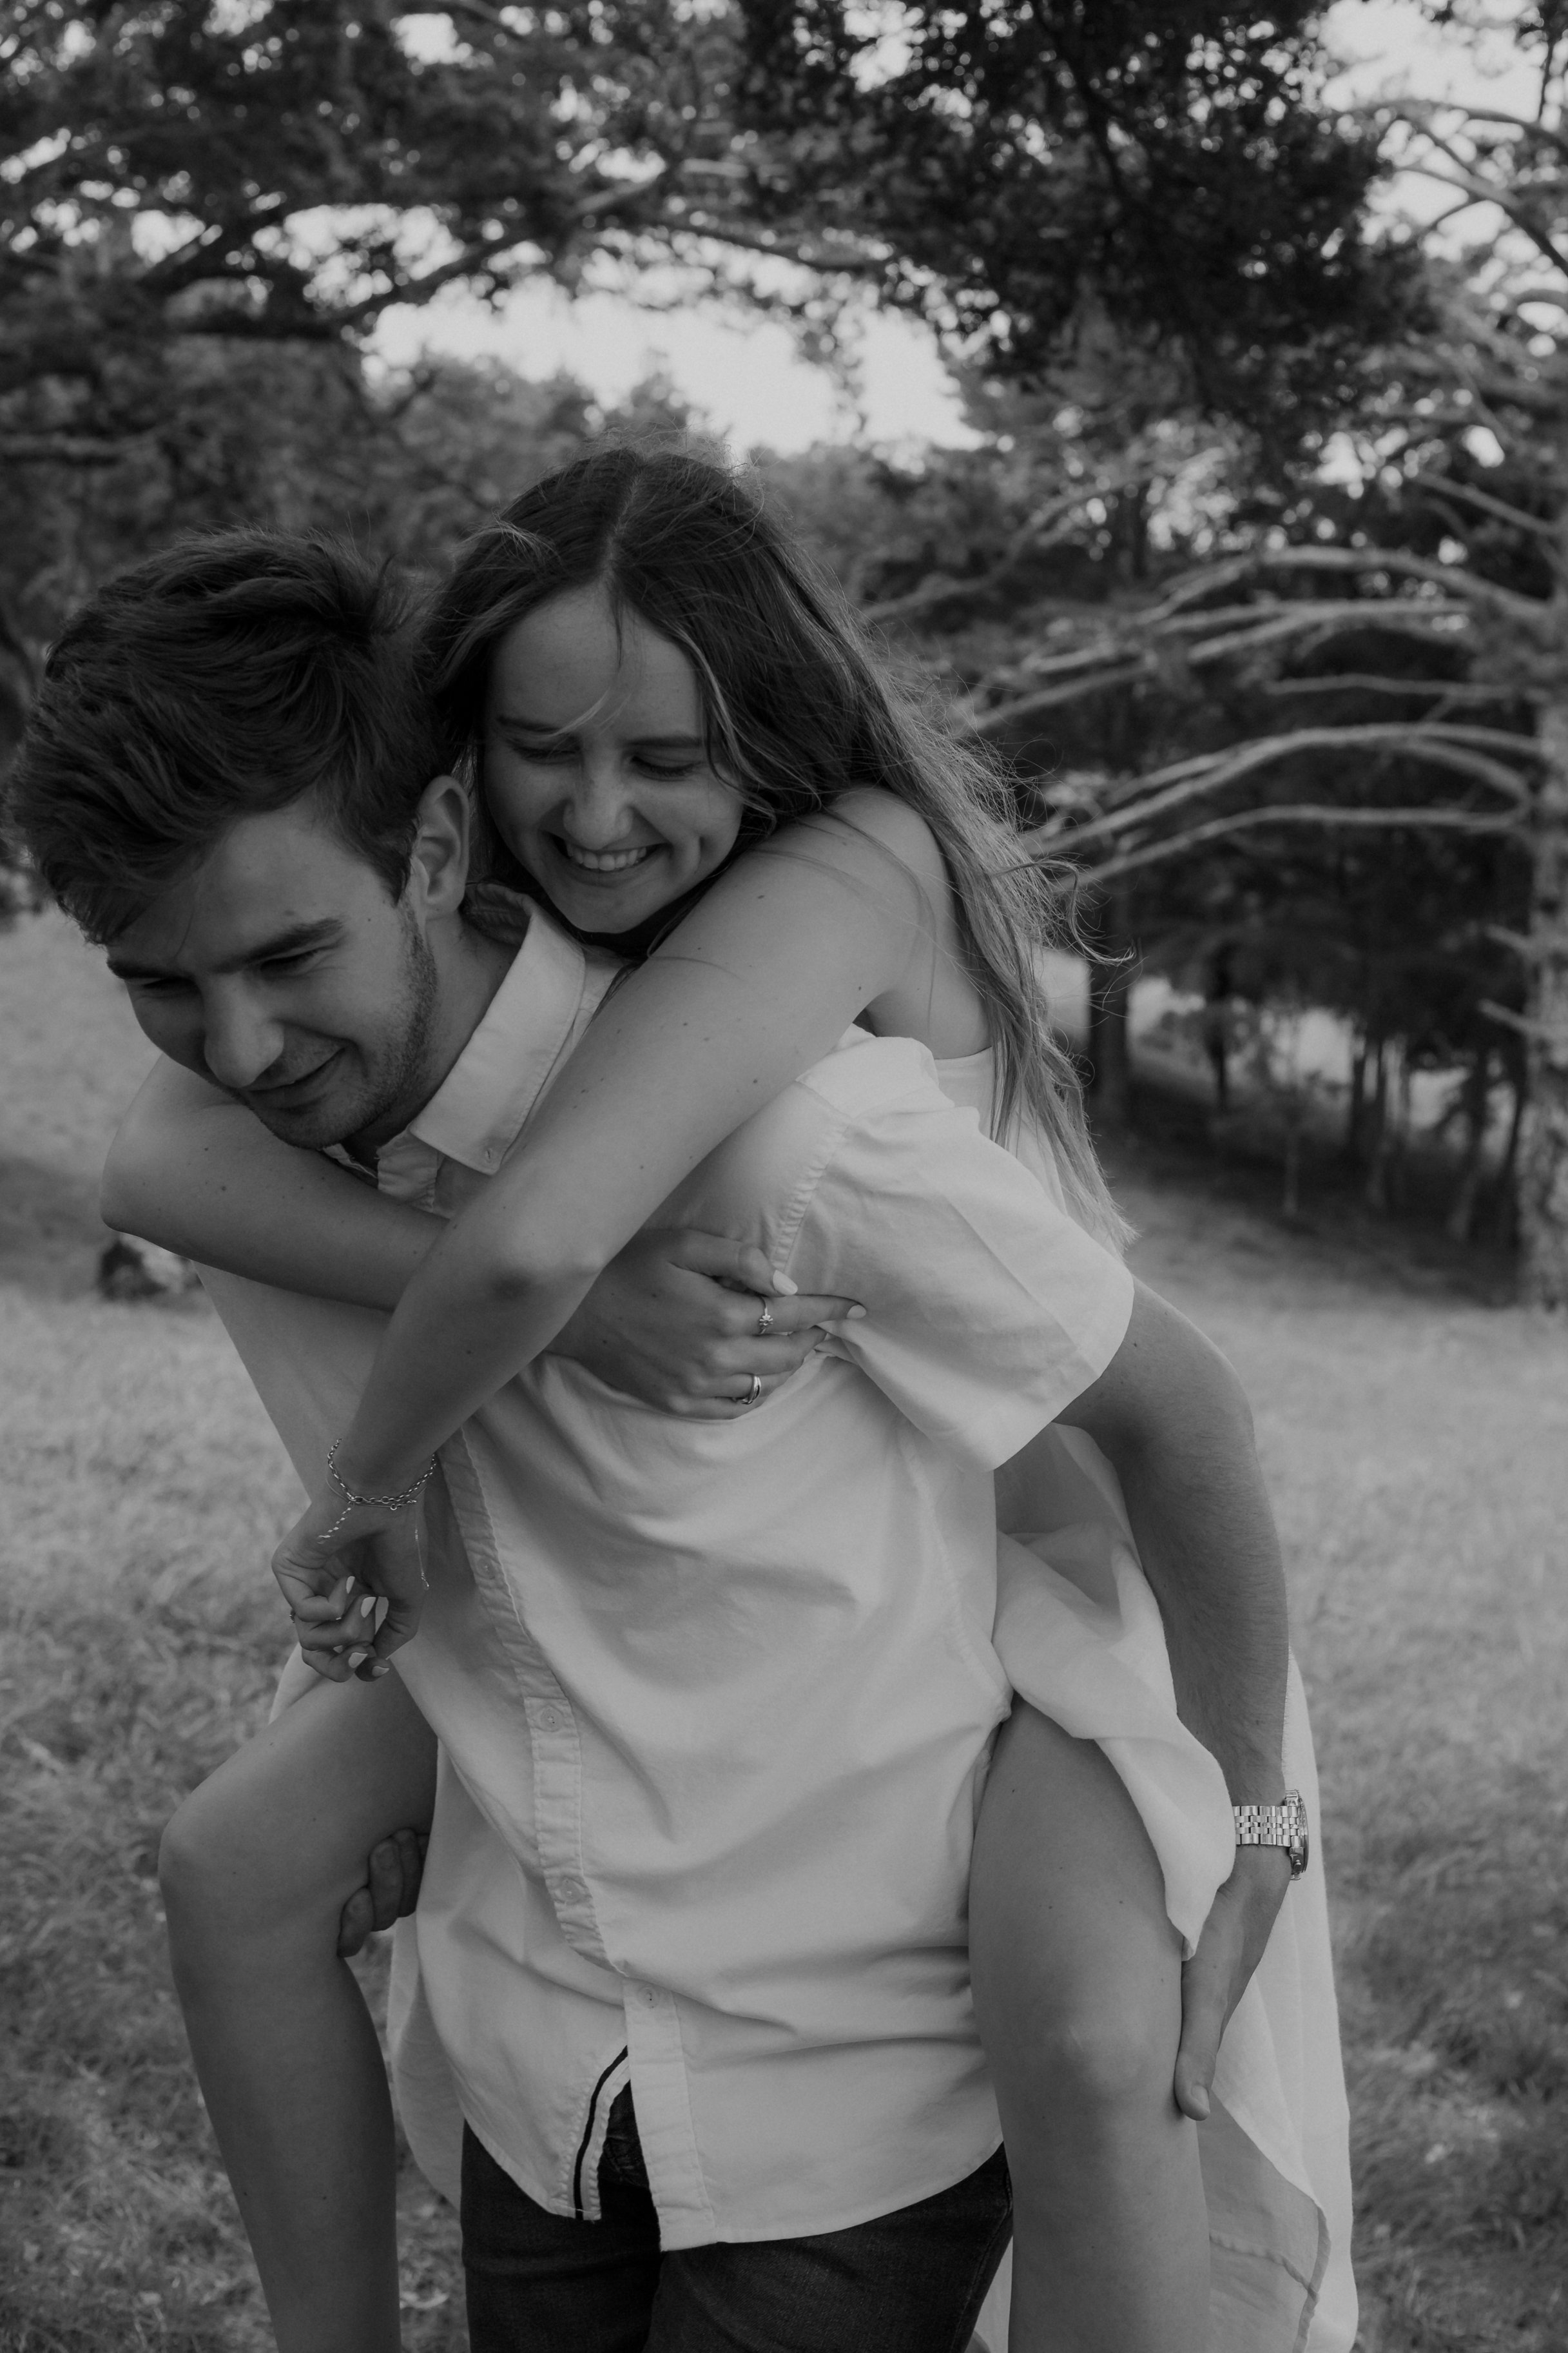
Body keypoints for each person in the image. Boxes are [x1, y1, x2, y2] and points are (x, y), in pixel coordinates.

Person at [6, 469, 1352, 2351]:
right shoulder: (335, 1105)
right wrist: (562, 1313)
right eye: (548, 746)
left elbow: (1159, 1415)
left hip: (1048, 1576)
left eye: (664, 753)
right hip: (615, 1928)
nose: (600, 806)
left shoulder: (825, 974)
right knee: (234, 1857)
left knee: (1097, 2034)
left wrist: (1256, 1820)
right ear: (478, 769)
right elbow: (180, 1158)